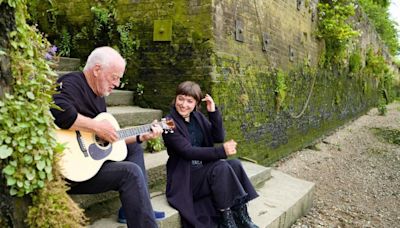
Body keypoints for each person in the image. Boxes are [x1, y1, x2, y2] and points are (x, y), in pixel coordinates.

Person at [51, 46, 162, 228]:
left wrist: (141, 136)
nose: (117, 84)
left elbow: (108, 140)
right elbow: (59, 111)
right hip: (72, 171)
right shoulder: (71, 83)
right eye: (115, 77)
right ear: (97, 70)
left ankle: (135, 207)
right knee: (130, 172)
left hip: (89, 164)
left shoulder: (99, 96)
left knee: (133, 147)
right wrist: (96, 126)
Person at [162, 81, 259, 228]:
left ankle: (241, 215)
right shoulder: (168, 122)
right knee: (221, 167)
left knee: (235, 164)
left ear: (195, 103)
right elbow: (187, 151)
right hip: (186, 178)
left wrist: (213, 111)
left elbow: (218, 137)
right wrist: (221, 151)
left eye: (189, 101)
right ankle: (226, 219)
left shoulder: (197, 117)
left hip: (204, 171)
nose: (184, 104)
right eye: (181, 98)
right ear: (175, 98)